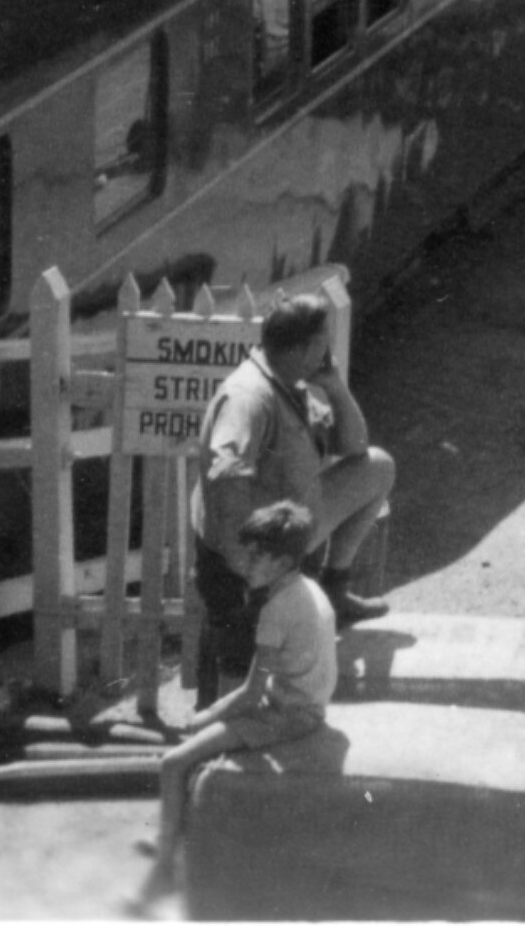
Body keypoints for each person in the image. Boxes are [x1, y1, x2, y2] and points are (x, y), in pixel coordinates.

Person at [192, 293, 396, 708]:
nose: (327, 350)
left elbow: (355, 447)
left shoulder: (289, 383)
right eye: (323, 342)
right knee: (239, 677)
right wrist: (247, 566)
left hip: (292, 522)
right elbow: (225, 474)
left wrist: (333, 385)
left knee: (377, 467)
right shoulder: (249, 396)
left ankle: (335, 587)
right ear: (304, 348)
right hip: (247, 556)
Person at [137, 500, 335, 910]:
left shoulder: (277, 610)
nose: (247, 561)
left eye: (258, 555)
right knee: (196, 751)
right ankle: (172, 838)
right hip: (306, 702)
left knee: (173, 762)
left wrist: (201, 718)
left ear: (282, 562)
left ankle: (164, 872)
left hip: (289, 714)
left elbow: (249, 694)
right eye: (248, 551)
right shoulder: (309, 589)